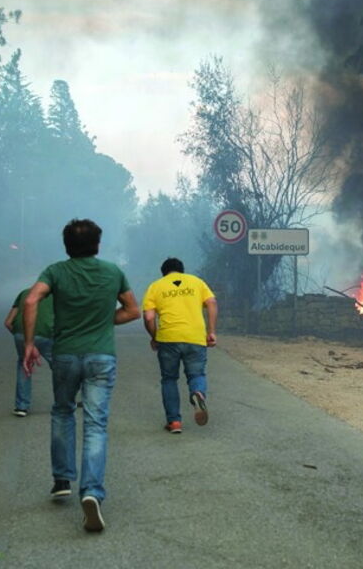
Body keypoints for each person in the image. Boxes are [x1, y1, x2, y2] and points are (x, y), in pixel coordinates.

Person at [22, 218, 140, 532]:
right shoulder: (113, 272)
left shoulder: (56, 272)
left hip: (65, 355)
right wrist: (102, 320)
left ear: (66, 246)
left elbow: (31, 300)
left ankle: (62, 479)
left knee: (62, 411)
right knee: (95, 423)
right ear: (97, 244)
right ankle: (91, 492)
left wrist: (30, 344)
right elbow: (133, 310)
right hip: (101, 356)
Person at [142, 257, 217, 434]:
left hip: (168, 339)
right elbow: (212, 302)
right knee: (196, 374)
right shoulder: (196, 282)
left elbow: (149, 317)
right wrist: (211, 331)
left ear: (164, 272)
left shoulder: (156, 286)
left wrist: (154, 337)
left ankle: (174, 422)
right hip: (195, 337)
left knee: (169, 379)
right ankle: (198, 393)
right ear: (182, 270)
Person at [4, 288, 54, 417]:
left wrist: (27, 341)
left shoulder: (24, 293)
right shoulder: (58, 295)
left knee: (24, 365)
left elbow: (8, 323)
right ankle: (65, 402)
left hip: (21, 334)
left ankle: (21, 406)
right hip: (45, 334)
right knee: (60, 366)